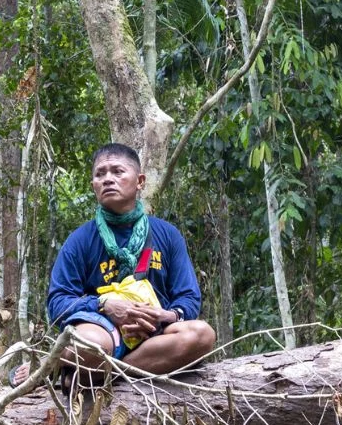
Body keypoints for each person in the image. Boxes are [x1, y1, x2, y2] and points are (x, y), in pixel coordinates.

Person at [12, 143, 216, 386]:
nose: (108, 179)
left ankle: (89, 372)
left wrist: (163, 315)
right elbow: (57, 303)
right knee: (92, 345)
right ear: (93, 186)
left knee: (202, 335)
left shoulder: (167, 234)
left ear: (140, 181)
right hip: (103, 333)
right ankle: (87, 364)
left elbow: (188, 298)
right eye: (100, 174)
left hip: (154, 335)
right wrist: (104, 305)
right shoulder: (80, 240)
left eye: (118, 172)